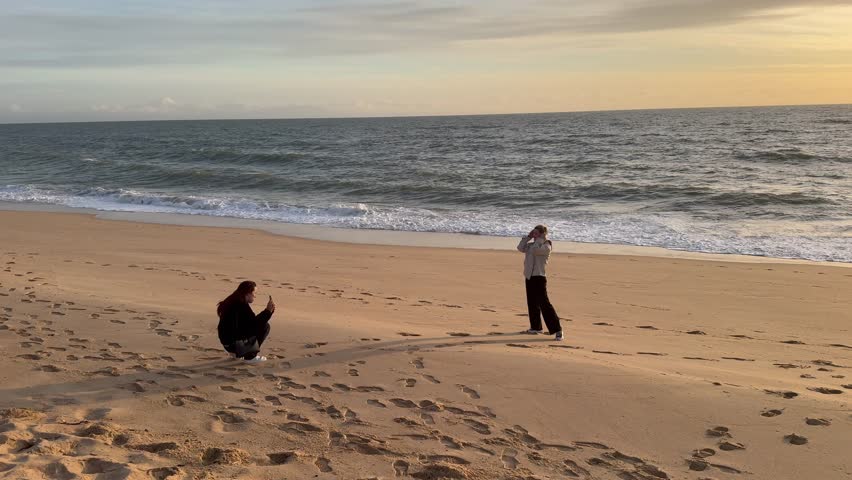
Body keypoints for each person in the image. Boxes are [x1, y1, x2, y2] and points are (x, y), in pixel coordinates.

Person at [517, 225, 563, 341]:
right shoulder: (531, 244)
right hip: (529, 277)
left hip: (539, 277)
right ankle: (536, 327)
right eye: (534, 233)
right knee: (532, 303)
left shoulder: (546, 245)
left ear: (542, 234)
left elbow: (536, 251)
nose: (534, 235)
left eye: (536, 233)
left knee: (545, 305)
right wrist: (528, 236)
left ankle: (558, 330)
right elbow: (520, 247)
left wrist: (540, 239)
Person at [217, 280, 276, 363]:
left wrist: (268, 311)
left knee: (259, 325)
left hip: (227, 343)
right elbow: (254, 324)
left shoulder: (233, 300)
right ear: (248, 293)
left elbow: (249, 322)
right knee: (265, 326)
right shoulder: (240, 305)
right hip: (233, 344)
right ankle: (250, 356)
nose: (255, 296)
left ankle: (237, 353)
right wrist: (267, 311)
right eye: (254, 293)